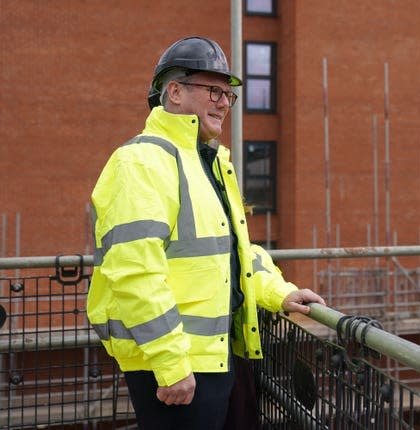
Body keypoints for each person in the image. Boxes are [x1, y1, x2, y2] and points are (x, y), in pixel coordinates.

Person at [87, 36, 325, 430]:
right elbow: (134, 273)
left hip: (218, 357)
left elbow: (233, 252)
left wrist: (279, 292)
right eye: (214, 90)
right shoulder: (141, 161)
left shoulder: (210, 164)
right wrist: (170, 363)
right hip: (177, 369)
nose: (224, 103)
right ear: (175, 92)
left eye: (228, 95)